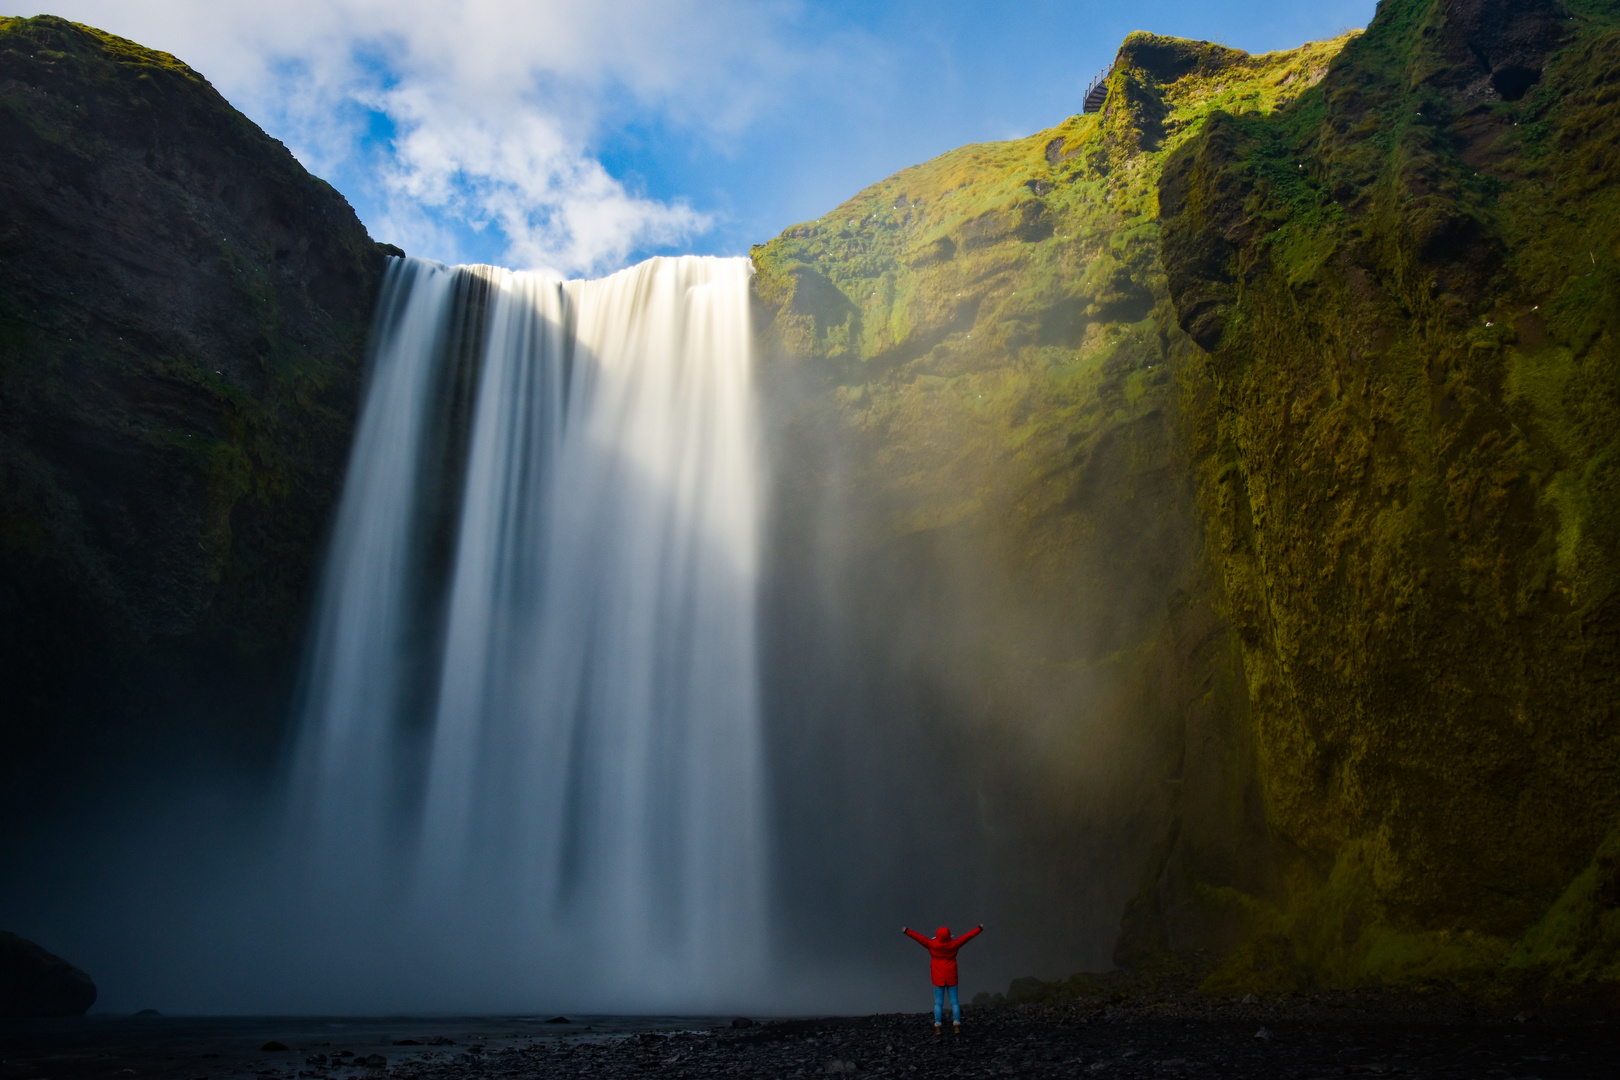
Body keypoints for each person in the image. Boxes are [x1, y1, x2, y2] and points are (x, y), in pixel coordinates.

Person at [903, 924, 983, 1034]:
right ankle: (956, 1026)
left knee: (938, 1003)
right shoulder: (954, 944)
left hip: (938, 978)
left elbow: (919, 938)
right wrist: (979, 928)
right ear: (949, 935)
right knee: (954, 1003)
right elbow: (967, 937)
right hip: (951, 976)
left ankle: (938, 1027)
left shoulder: (931, 944)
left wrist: (907, 931)